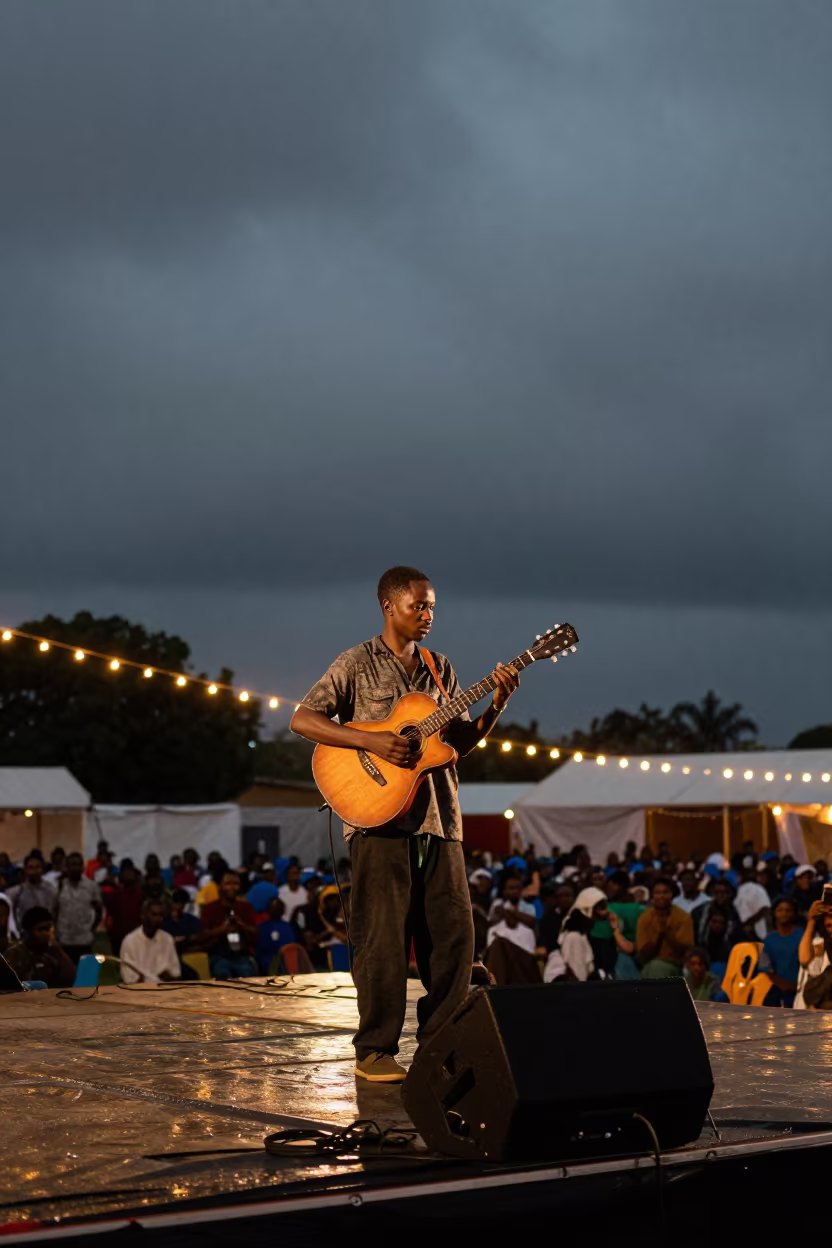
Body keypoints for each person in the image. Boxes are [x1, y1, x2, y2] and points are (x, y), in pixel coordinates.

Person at [290, 564, 519, 1081]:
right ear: (389, 606)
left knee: (454, 938)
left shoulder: (441, 669)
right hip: (378, 818)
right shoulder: (355, 663)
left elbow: (456, 745)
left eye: (433, 606)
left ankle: (440, 1043)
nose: (428, 614)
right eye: (419, 605)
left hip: (440, 817)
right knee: (382, 936)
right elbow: (304, 719)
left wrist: (498, 705)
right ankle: (375, 1050)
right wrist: (371, 740)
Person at [200, 870, 259, 979]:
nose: (232, 887)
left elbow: (256, 934)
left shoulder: (246, 907)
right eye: (228, 884)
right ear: (220, 886)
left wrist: (242, 925)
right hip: (219, 955)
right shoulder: (209, 908)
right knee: (223, 973)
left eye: (235, 884)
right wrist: (220, 930)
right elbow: (202, 935)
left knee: (247, 974)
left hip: (241, 956)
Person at [3, 906, 76, 988]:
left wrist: (58, 951)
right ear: (28, 932)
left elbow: (71, 978)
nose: (46, 933)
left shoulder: (53, 952)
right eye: (41, 930)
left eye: (48, 929)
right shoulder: (15, 954)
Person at [636, 877, 694, 978]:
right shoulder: (644, 918)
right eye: (657, 893)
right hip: (649, 965)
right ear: (652, 896)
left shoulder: (683, 917)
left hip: (674, 966)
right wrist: (659, 935)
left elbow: (685, 950)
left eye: (665, 892)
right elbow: (643, 954)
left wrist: (667, 933)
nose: (661, 896)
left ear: (672, 895)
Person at [54, 852, 103, 963]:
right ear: (67, 867)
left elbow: (98, 910)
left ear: (83, 867)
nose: (75, 868)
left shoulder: (91, 886)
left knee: (85, 974)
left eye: (78, 864)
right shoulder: (59, 886)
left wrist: (92, 928)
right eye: (72, 864)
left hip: (84, 939)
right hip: (64, 939)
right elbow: (55, 910)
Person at [119, 900, 182, 984]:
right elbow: (130, 979)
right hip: (138, 993)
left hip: (165, 991)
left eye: (161, 915)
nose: (158, 919)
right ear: (143, 916)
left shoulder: (167, 939)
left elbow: (175, 973)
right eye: (154, 914)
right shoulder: (130, 941)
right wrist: (157, 977)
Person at [759, 896, 802, 1006]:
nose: (784, 914)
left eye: (788, 910)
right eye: (780, 910)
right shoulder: (769, 940)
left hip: (802, 989)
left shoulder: (803, 936)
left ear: (794, 913)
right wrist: (782, 984)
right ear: (774, 913)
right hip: (777, 991)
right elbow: (765, 969)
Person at [795, 898, 832, 1009]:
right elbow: (804, 959)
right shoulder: (822, 941)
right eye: (828, 924)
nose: (829, 923)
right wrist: (811, 920)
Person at [103, 861, 144, 956]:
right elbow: (109, 913)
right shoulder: (115, 894)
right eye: (126, 873)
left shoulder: (141, 894)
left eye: (131, 872)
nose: (129, 875)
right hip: (119, 936)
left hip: (137, 935)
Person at [7, 854, 57, 930]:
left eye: (37, 867)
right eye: (31, 867)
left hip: (45, 933)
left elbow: (54, 911)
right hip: (25, 934)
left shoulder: (50, 889)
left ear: (42, 869)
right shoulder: (16, 892)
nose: (35, 870)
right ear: (25, 870)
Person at [162, 888, 205, 974]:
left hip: (191, 955)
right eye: (176, 902)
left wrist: (186, 940)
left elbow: (201, 939)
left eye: (182, 902)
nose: (179, 905)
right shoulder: (163, 922)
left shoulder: (193, 921)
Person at [256, 897, 296, 973]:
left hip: (286, 963)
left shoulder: (288, 927)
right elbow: (261, 949)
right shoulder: (262, 927)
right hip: (268, 963)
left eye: (278, 907)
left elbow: (292, 947)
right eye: (272, 908)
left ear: (283, 910)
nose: (275, 910)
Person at [735, 859, 771, 940]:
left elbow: (765, 909)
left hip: (758, 934)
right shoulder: (738, 890)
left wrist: (748, 923)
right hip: (741, 935)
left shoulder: (758, 888)